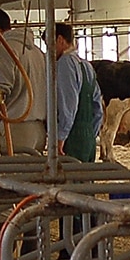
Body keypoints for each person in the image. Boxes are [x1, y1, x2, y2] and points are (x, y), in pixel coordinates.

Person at [0, 8, 49, 153]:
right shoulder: (37, 52)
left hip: (15, 128)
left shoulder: (6, 50)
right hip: (38, 130)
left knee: (4, 173)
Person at [50, 23, 104, 161]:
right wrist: (91, 134)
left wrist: (61, 137)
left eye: (49, 44)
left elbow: (69, 104)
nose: (49, 50)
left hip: (72, 137)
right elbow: (98, 107)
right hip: (88, 137)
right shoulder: (87, 65)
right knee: (86, 179)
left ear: (60, 40)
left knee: (69, 178)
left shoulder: (64, 63)